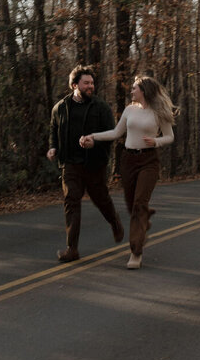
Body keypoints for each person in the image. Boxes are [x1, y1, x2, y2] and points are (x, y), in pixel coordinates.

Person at [81, 75, 176, 270]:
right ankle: (143, 220)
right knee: (132, 204)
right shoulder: (129, 109)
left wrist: (156, 141)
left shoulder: (158, 111)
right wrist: (93, 136)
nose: (131, 91)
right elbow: (116, 133)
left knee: (139, 203)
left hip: (149, 161)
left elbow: (169, 136)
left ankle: (135, 251)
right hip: (128, 160)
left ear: (144, 91)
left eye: (134, 88)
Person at [47, 65, 125, 262]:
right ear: (75, 85)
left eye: (92, 83)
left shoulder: (101, 108)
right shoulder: (60, 108)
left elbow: (112, 134)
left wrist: (95, 141)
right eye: (86, 83)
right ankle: (72, 249)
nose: (91, 86)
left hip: (94, 164)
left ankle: (115, 222)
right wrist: (53, 148)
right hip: (70, 165)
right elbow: (53, 130)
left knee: (101, 199)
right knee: (71, 202)